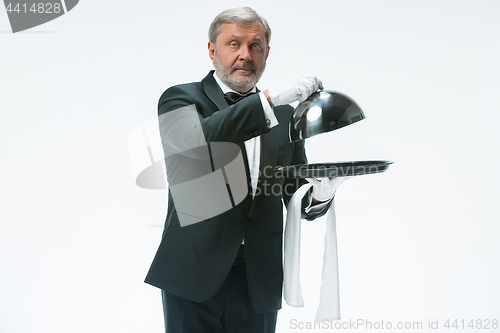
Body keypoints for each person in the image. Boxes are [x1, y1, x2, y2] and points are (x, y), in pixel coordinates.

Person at [145, 7, 340, 333]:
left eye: (255, 46)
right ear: (212, 50)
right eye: (233, 44)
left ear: (266, 53)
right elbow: (196, 143)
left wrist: (321, 194)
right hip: (193, 271)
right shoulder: (180, 99)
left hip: (258, 276)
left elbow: (297, 196)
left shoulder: (285, 116)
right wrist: (268, 100)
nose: (245, 55)